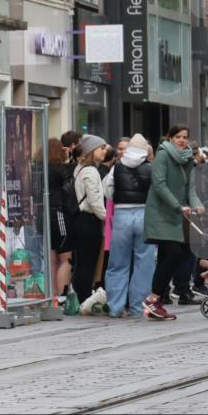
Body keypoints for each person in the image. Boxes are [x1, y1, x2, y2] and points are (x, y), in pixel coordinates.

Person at [142, 125, 205, 320]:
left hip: (175, 214)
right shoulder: (163, 155)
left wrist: (197, 205)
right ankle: (153, 298)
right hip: (160, 213)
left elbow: (190, 189)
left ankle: (156, 303)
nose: (182, 140)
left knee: (165, 256)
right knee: (174, 252)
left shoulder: (187, 158)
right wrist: (179, 206)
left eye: (185, 137)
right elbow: (159, 184)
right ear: (170, 138)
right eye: (178, 136)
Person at [103, 134, 154, 318]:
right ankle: (138, 306)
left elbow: (107, 190)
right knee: (144, 263)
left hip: (122, 215)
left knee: (118, 263)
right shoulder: (150, 168)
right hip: (144, 215)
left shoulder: (116, 168)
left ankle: (115, 307)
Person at [71, 135, 108, 302]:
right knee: (88, 262)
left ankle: (80, 295)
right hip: (89, 220)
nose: (105, 151)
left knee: (81, 261)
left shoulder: (79, 169)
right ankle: (85, 297)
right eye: (101, 148)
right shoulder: (91, 171)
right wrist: (105, 217)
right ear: (92, 151)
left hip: (79, 219)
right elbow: (95, 201)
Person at [45, 139, 75, 298]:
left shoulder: (38, 167)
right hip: (58, 213)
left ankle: (52, 295)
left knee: (52, 259)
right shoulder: (58, 169)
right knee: (65, 257)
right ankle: (62, 296)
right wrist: (68, 158)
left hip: (43, 215)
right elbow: (70, 180)